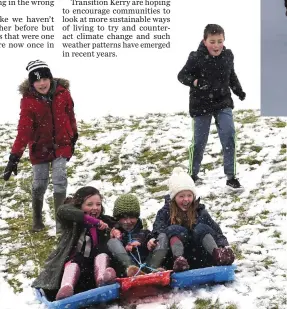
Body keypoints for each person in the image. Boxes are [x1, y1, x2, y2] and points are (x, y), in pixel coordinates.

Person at [3, 60, 78, 233]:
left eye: (45, 78)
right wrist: (14, 157)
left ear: (50, 78)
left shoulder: (63, 93)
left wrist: (73, 136)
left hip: (61, 145)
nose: (42, 83)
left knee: (60, 181)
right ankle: (37, 220)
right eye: (37, 80)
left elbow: (70, 115)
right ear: (31, 83)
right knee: (39, 185)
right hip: (40, 148)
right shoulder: (28, 101)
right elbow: (24, 131)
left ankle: (61, 223)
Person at [178, 24, 246, 191]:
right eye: (212, 41)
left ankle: (231, 177)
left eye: (220, 41)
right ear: (205, 41)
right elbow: (182, 76)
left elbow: (231, 75)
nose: (216, 45)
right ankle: (192, 175)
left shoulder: (228, 56)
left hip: (223, 103)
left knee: (229, 136)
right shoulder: (196, 57)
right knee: (199, 142)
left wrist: (238, 91)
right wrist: (196, 82)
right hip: (201, 105)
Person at [31, 186, 117, 301]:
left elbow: (118, 225)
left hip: (93, 269)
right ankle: (66, 287)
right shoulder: (72, 223)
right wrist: (92, 220)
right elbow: (62, 211)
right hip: (78, 269)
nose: (95, 208)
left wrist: (116, 230)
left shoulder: (105, 221)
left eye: (98, 204)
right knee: (74, 264)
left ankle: (102, 280)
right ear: (79, 206)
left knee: (102, 256)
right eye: (89, 204)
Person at [151, 167, 235, 272]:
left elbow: (216, 232)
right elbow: (157, 232)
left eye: (189, 195)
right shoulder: (165, 213)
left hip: (200, 256)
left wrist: (223, 245)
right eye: (181, 196)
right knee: (175, 230)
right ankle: (179, 260)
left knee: (202, 228)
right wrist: (153, 241)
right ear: (173, 198)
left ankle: (218, 255)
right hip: (174, 260)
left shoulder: (200, 211)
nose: (186, 199)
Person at [107, 194, 168, 277]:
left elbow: (152, 239)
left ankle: (153, 269)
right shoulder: (116, 234)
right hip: (125, 272)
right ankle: (131, 269)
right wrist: (125, 245)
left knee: (162, 237)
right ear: (118, 218)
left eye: (132, 217)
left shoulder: (145, 233)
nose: (128, 221)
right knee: (112, 242)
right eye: (124, 218)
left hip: (148, 266)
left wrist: (151, 242)